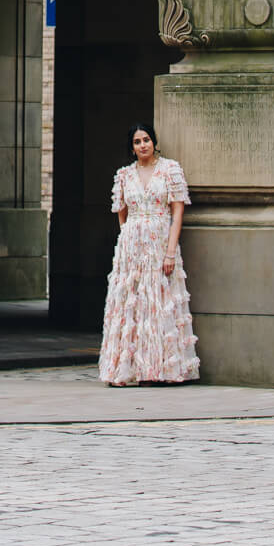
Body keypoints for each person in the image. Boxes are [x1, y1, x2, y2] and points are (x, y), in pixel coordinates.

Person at [98, 121, 200, 386]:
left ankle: (158, 368)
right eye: (137, 142)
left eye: (146, 140)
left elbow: (177, 213)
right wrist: (129, 240)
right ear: (132, 148)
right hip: (132, 247)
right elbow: (121, 212)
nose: (142, 145)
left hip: (159, 244)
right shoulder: (124, 175)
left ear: (154, 142)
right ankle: (127, 369)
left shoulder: (170, 170)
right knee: (131, 305)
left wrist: (169, 252)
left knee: (157, 303)